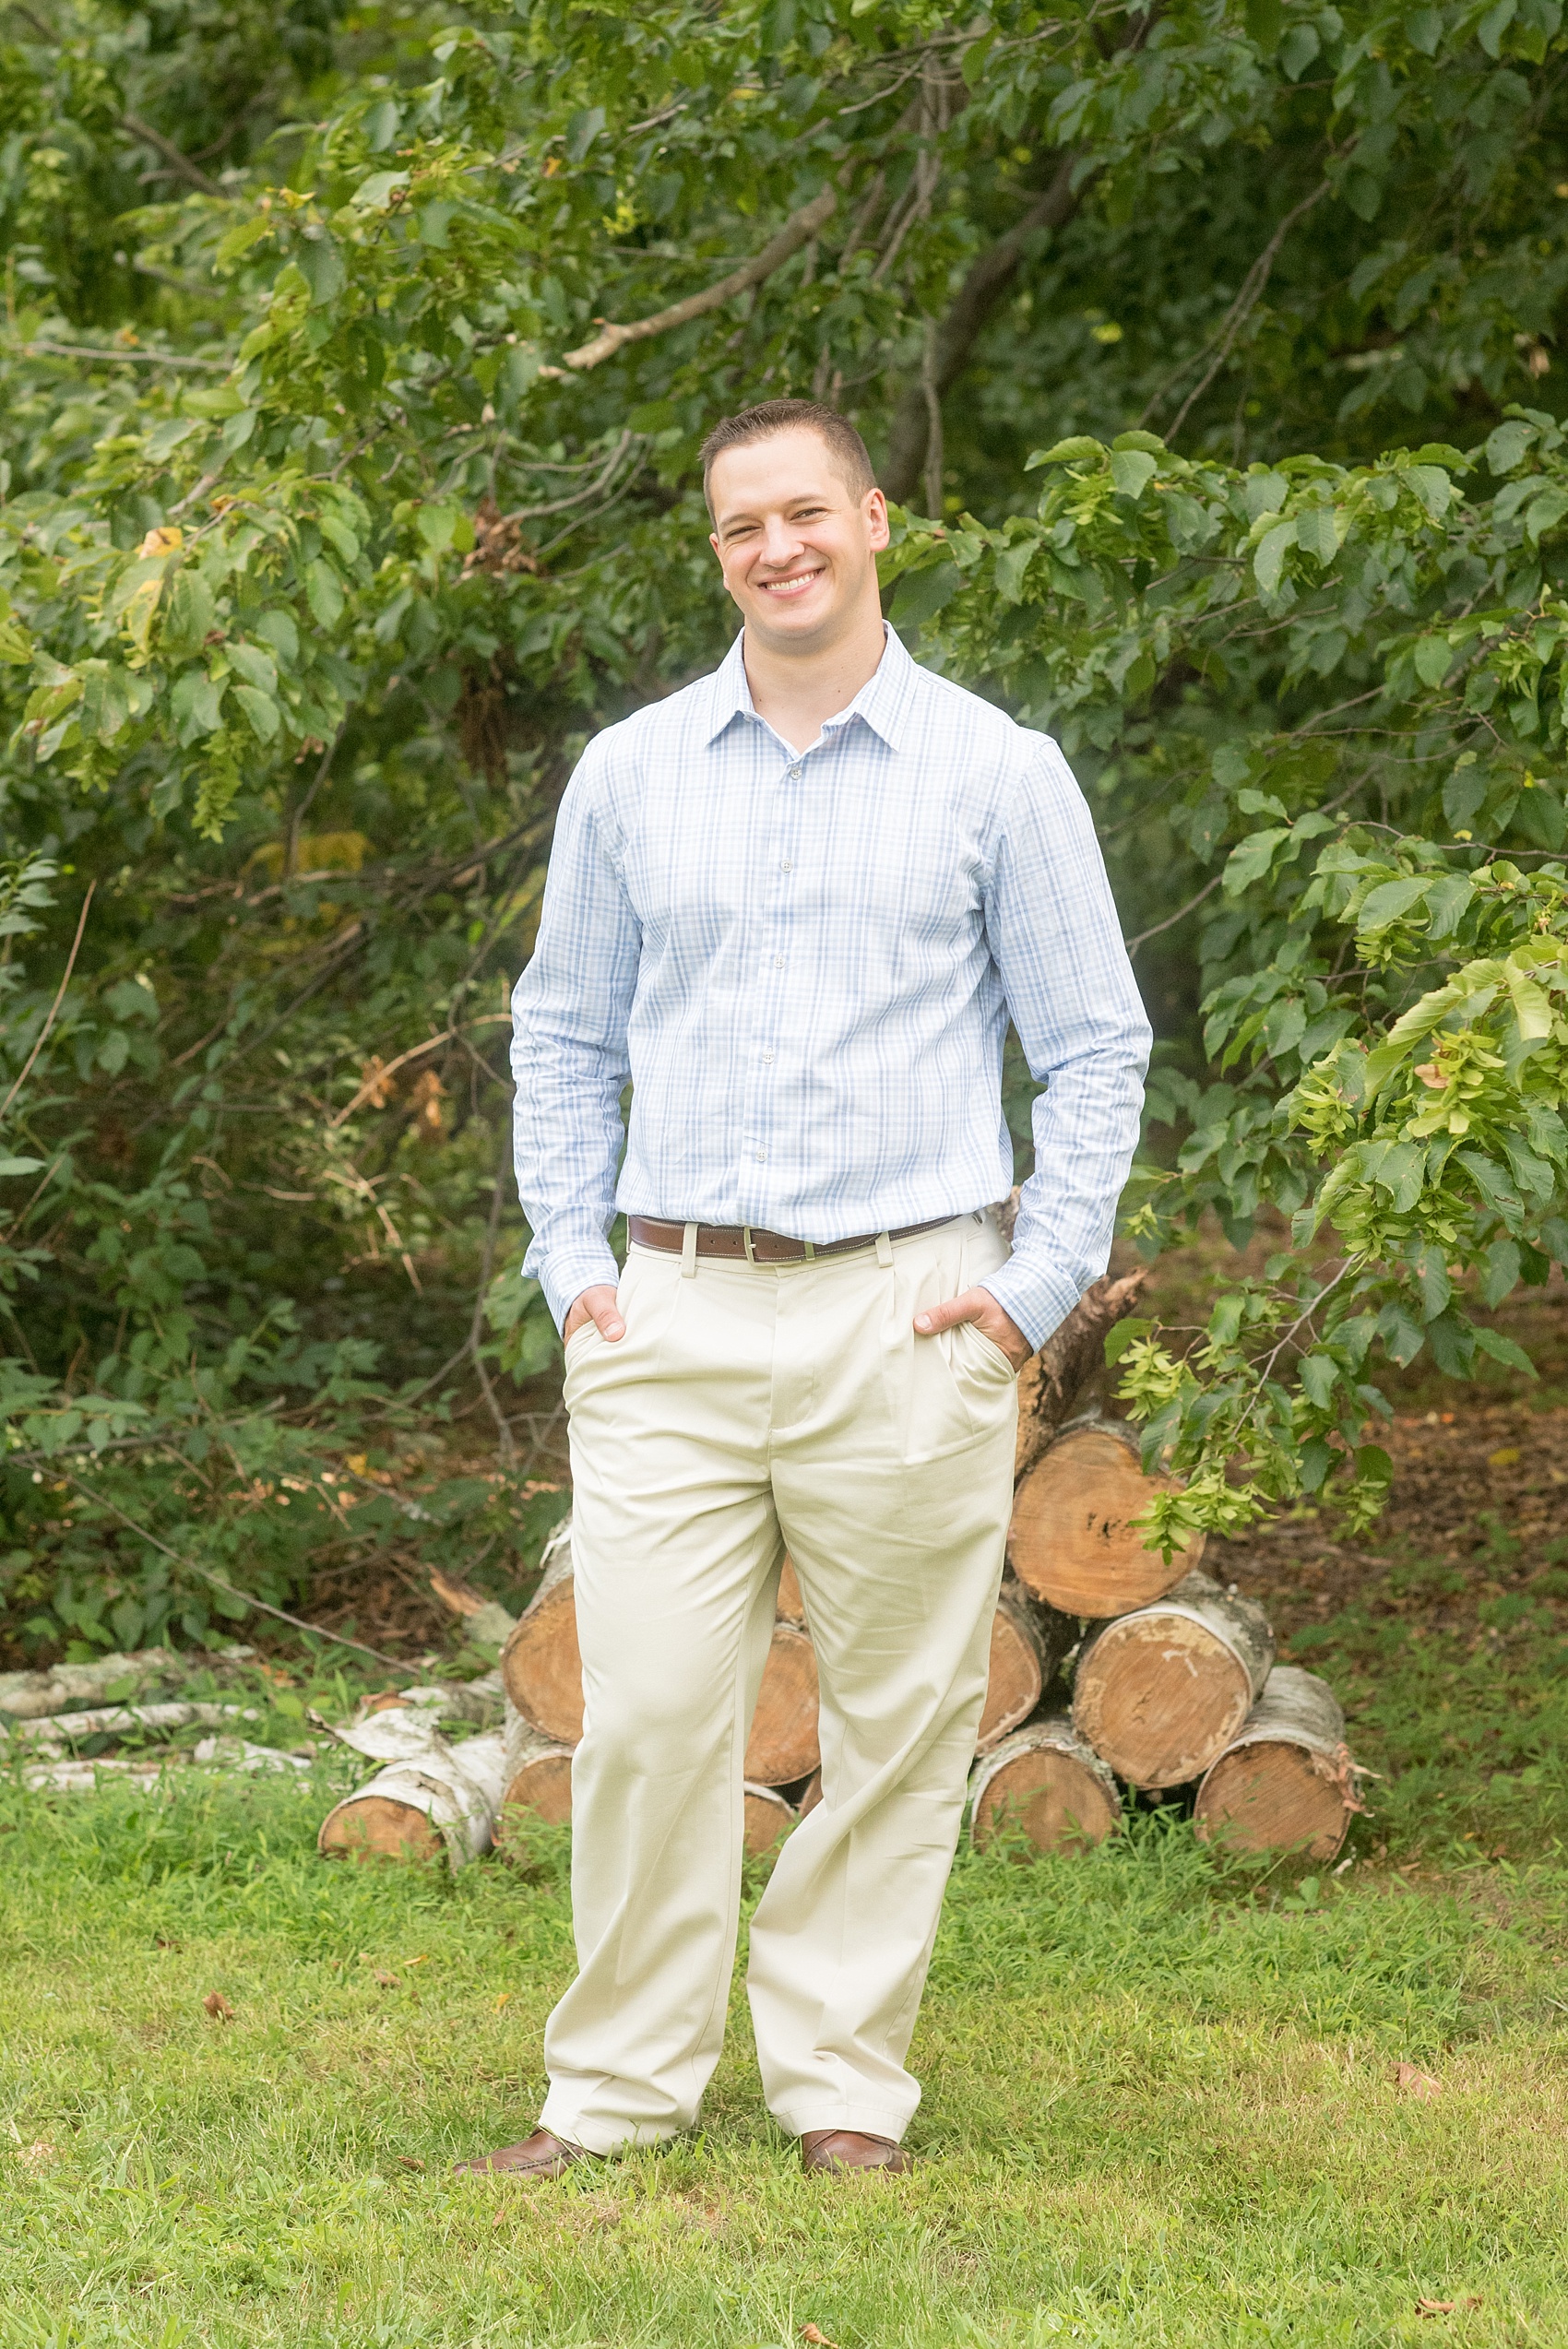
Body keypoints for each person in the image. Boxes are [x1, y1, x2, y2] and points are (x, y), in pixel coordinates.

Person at [457, 398, 1150, 2181]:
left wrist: (1028, 1290)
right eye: (739, 527)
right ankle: (612, 2095)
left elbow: (1096, 1048)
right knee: (649, 1723)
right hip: (672, 1314)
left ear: (872, 519)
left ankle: (840, 2081)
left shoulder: (999, 772)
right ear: (719, 553)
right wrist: (573, 1266)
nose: (775, 549)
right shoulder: (630, 772)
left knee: (902, 1723)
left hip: (910, 1311)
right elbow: (560, 1033)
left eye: (803, 515)